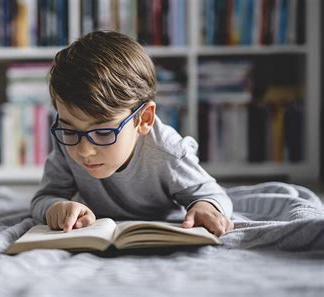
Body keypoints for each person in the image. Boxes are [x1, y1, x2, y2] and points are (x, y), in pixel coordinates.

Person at [31, 31, 234, 236]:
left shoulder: (169, 153)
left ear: (144, 119)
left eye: (103, 132)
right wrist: (54, 207)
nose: (84, 150)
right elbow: (44, 197)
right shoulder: (68, 143)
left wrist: (206, 207)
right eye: (69, 129)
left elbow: (215, 195)